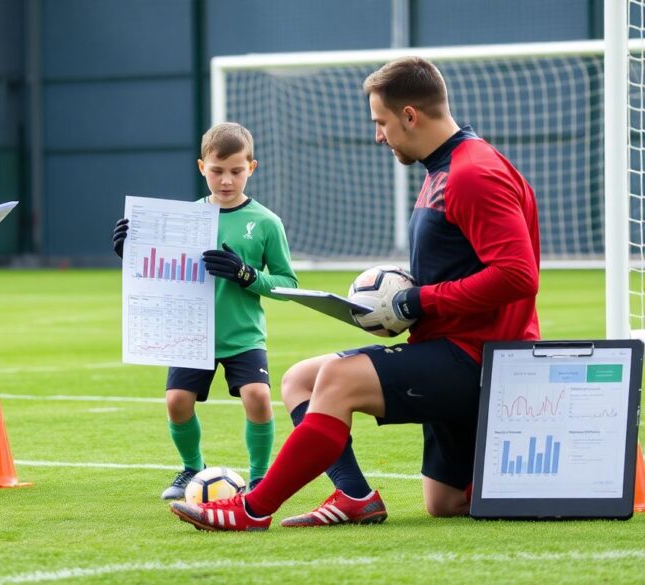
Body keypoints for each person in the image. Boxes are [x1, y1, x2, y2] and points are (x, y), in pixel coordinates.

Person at [170, 56, 540, 531]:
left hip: (478, 359)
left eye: (381, 122)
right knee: (441, 499)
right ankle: (356, 495)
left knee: (338, 379)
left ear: (410, 115)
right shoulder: (443, 170)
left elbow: (517, 275)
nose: (378, 135)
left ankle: (251, 509)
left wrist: (417, 301)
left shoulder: (473, 173)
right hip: (445, 348)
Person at [113, 122, 298, 500]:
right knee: (176, 401)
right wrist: (130, 253)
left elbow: (288, 285)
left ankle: (261, 477)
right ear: (202, 167)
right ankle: (191, 469)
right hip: (190, 331)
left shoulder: (265, 222)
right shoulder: (183, 219)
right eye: (217, 171)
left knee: (258, 397)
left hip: (242, 333)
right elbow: (155, 271)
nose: (226, 180)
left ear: (252, 167)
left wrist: (248, 276)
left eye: (236, 171)